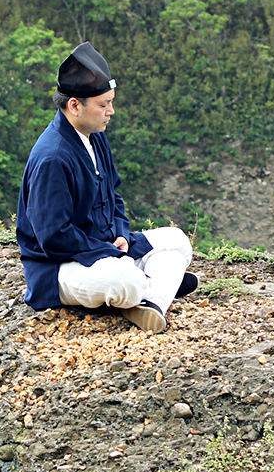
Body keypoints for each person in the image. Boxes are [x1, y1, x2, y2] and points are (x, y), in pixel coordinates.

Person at [15, 42, 197, 332]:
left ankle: (150, 301)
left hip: (105, 247)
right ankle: (156, 286)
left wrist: (121, 234)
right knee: (126, 280)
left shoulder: (95, 134)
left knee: (177, 240)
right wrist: (106, 251)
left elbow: (113, 193)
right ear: (74, 105)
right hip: (60, 268)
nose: (110, 111)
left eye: (111, 102)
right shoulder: (53, 158)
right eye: (103, 104)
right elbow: (52, 237)